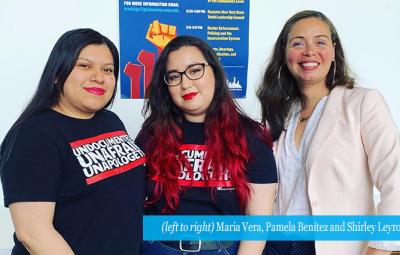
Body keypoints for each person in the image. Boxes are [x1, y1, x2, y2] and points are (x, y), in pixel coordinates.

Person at [257, 10, 400, 255]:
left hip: (330, 246)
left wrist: (381, 248)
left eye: (320, 42)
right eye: (297, 43)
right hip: (273, 244)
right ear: (284, 53)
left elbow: (395, 178)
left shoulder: (362, 103)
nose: (309, 51)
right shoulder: (277, 114)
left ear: (334, 51)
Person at [0, 28, 146, 255]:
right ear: (58, 73)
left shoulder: (110, 121)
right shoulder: (33, 135)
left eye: (108, 69)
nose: (99, 76)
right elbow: (34, 234)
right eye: (84, 66)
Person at [136, 35, 277, 255]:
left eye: (194, 70)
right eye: (174, 76)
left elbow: (257, 222)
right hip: (158, 248)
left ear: (215, 73)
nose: (185, 83)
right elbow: (127, 199)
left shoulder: (252, 137)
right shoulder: (151, 134)